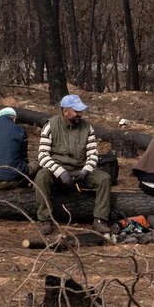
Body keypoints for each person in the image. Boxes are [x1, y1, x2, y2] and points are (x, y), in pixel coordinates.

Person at [35, 94, 112, 235]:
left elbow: (93, 154)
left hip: (80, 169)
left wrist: (86, 170)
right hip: (57, 169)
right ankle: (45, 219)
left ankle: (100, 219)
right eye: (76, 111)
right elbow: (43, 156)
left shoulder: (87, 128)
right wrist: (60, 172)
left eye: (80, 111)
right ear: (65, 111)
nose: (80, 114)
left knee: (104, 179)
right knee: (41, 177)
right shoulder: (50, 126)